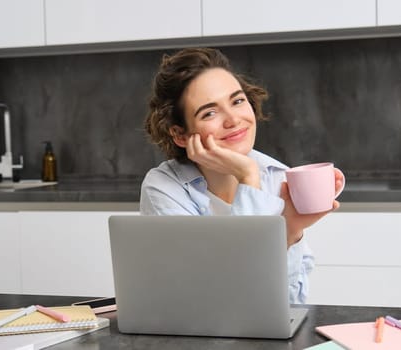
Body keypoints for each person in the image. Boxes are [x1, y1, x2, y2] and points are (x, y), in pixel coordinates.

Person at [140, 48, 343, 304]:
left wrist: (290, 231)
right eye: (209, 113)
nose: (233, 120)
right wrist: (247, 176)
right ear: (181, 135)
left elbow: (291, 304)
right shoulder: (164, 187)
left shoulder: (277, 176)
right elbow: (220, 298)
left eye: (237, 101)